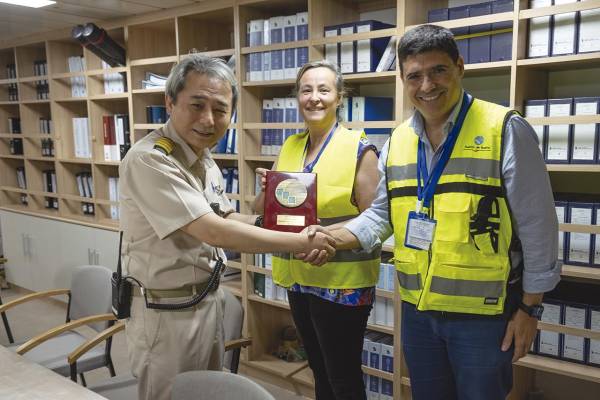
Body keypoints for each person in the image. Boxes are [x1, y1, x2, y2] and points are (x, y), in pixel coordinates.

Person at [322, 25, 561, 400]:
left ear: (459, 68)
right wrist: (332, 237)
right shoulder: (398, 141)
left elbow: (539, 228)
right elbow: (381, 215)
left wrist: (531, 310)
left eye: (438, 71)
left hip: (485, 316)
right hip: (419, 312)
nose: (427, 85)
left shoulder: (505, 129)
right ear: (403, 79)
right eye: (415, 75)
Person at [119, 54, 336, 400]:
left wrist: (283, 225)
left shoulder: (202, 157)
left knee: (206, 394)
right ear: (170, 102)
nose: (208, 120)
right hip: (165, 313)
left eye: (220, 110)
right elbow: (213, 231)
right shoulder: (151, 160)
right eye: (197, 105)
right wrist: (298, 243)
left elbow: (226, 217)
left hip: (206, 302)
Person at [253, 60, 380, 400]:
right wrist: (266, 187)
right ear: (297, 97)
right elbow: (261, 209)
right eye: (306, 90)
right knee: (319, 372)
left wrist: (330, 239)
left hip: (342, 283)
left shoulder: (359, 148)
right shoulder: (290, 145)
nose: (314, 98)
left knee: (343, 377)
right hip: (298, 275)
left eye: (324, 90)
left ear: (340, 97)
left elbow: (376, 219)